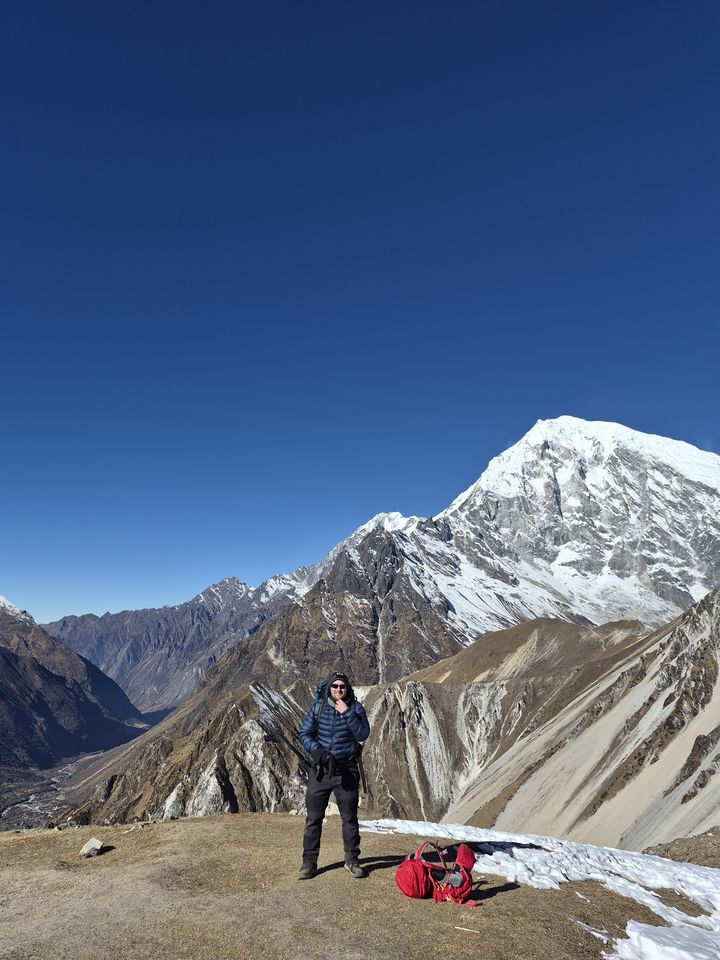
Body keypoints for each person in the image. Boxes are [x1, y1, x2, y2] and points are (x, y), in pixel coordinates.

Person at [298, 671, 370, 880]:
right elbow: (304, 733)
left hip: (346, 772)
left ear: (348, 689)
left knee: (349, 819)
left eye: (342, 687)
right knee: (313, 819)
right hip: (321, 771)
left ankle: (352, 861)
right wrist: (317, 752)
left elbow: (362, 734)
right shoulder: (319, 708)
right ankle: (308, 863)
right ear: (329, 688)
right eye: (335, 686)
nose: (338, 690)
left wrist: (347, 712)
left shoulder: (355, 709)